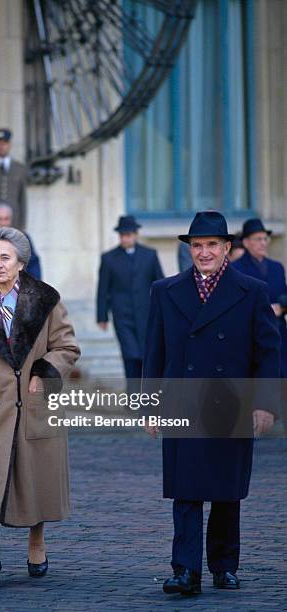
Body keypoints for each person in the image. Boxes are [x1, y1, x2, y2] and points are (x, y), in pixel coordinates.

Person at [143, 211, 280, 596]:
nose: (204, 253)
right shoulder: (165, 290)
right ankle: (185, 569)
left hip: (231, 403)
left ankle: (223, 566)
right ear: (190, 249)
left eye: (212, 245)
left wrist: (265, 403)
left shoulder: (251, 290)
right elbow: (154, 352)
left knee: (225, 489)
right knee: (185, 489)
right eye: (197, 246)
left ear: (226, 248)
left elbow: (268, 352)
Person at [0, 227, 80, 591]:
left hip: (34, 403)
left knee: (34, 479)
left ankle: (36, 542)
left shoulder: (46, 300)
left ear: (21, 263)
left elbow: (66, 347)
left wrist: (44, 373)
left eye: (5, 257)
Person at [96, 215, 163, 391]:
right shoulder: (109, 258)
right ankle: (133, 396)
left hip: (147, 315)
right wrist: (102, 316)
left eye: (129, 234)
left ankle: (147, 396)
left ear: (136, 234)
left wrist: (164, 311)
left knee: (146, 355)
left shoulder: (150, 255)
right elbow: (103, 289)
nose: (126, 238)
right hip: (122, 315)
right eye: (122, 235)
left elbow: (160, 284)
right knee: (130, 355)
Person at [233, 218, 287, 377]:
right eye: (258, 239)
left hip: (279, 336)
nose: (263, 243)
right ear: (246, 242)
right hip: (252, 338)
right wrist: (264, 310)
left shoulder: (276, 267)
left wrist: (282, 306)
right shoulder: (236, 269)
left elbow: (284, 293)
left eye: (265, 238)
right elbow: (236, 303)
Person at [0, 129, 27, 230]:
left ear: (10, 145)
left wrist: (22, 226)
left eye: (5, 143)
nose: (1, 147)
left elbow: (22, 199)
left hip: (13, 222)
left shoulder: (20, 168)